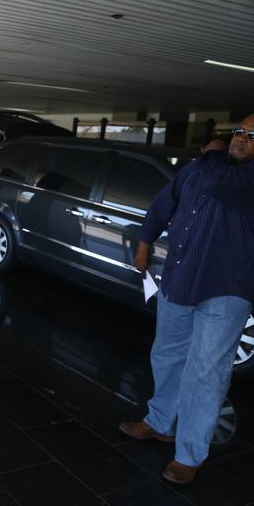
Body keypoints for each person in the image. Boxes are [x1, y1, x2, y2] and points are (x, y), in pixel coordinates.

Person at [119, 114, 254, 485]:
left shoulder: (222, 171)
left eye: (252, 136)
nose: (241, 138)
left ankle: (189, 454)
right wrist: (144, 246)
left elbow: (216, 181)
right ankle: (160, 422)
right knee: (167, 354)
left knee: (206, 371)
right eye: (240, 131)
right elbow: (163, 204)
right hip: (180, 277)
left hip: (227, 289)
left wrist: (210, 154)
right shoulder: (200, 168)